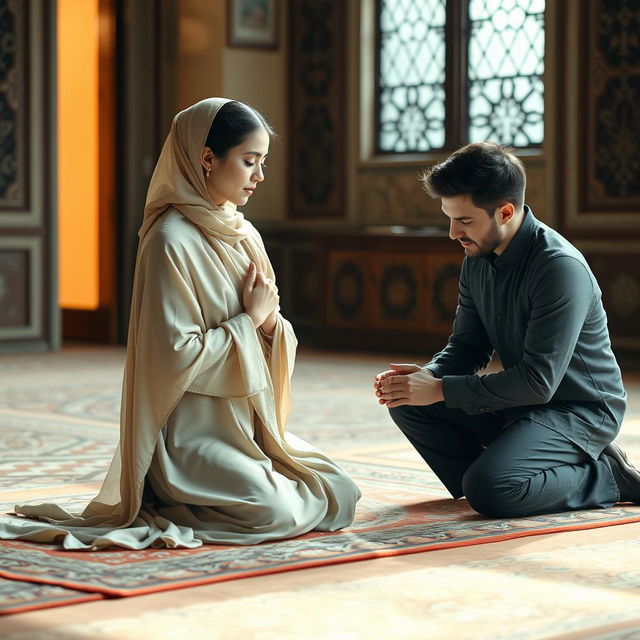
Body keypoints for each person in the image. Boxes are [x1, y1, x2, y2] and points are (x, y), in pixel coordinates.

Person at [0, 97, 360, 549]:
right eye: (250, 162)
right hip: (188, 436)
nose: (259, 176)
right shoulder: (168, 240)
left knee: (342, 491)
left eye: (263, 162)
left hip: (247, 424)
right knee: (278, 512)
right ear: (207, 158)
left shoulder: (245, 234)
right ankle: (170, 497)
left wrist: (268, 326)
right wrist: (250, 320)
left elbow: (273, 327)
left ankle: (234, 486)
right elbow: (174, 356)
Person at [374, 141, 640, 518]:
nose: (453, 233)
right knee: (410, 405)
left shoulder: (559, 268)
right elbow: (468, 346)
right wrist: (426, 377)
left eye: (464, 221)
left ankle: (607, 476)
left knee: (489, 489)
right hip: (523, 405)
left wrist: (439, 389)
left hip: (578, 409)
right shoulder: (478, 257)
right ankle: (516, 470)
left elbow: (538, 381)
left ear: (505, 211)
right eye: (449, 218)